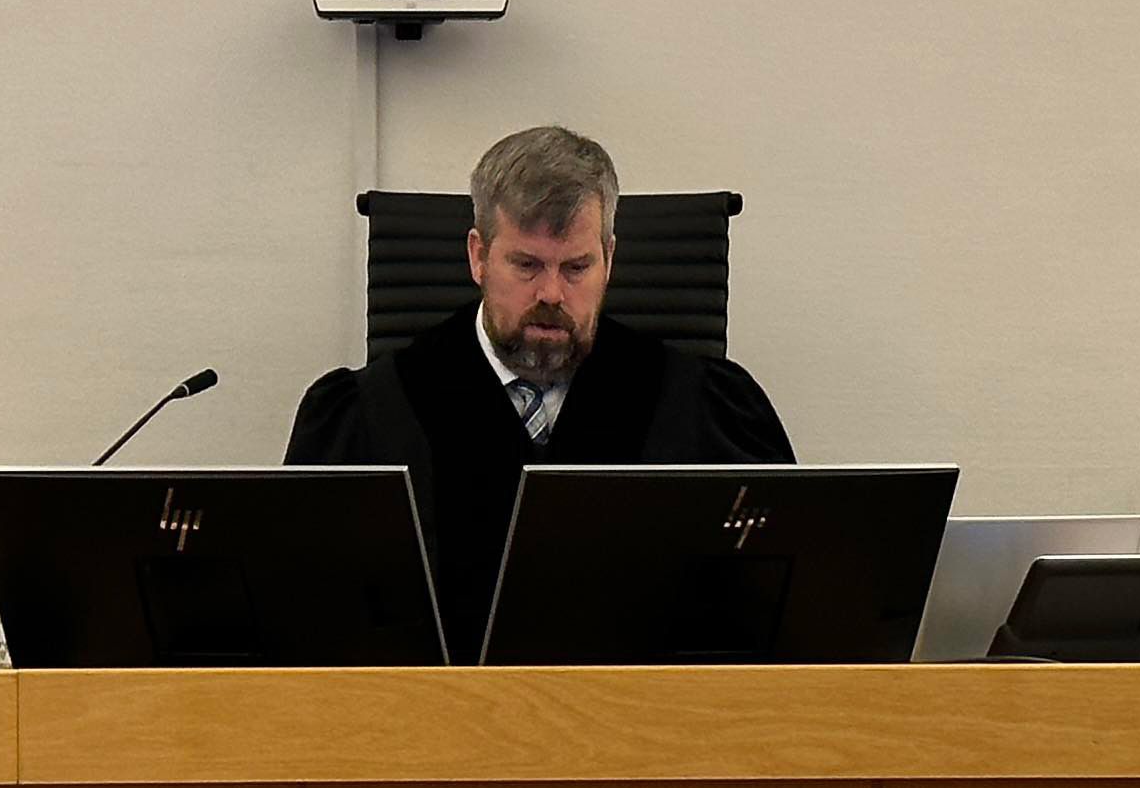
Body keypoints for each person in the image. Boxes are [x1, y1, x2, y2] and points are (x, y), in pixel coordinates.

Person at [288, 125, 793, 649]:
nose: (551, 293)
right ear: (478, 257)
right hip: (437, 701)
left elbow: (777, 613)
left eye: (576, 267)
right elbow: (309, 618)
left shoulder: (699, 405)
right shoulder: (372, 413)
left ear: (609, 259)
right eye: (526, 265)